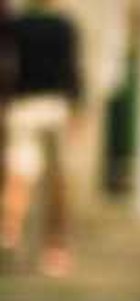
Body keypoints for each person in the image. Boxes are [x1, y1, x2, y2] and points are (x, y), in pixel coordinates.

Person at [3, 0, 81, 276]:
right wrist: (76, 109)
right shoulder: (63, 25)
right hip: (54, 106)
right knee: (58, 180)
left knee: (19, 174)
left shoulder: (17, 25)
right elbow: (73, 71)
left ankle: (10, 233)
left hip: (22, 105)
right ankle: (55, 247)